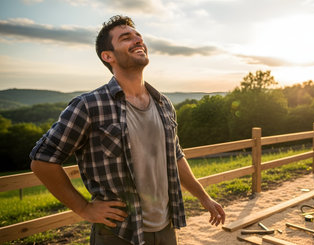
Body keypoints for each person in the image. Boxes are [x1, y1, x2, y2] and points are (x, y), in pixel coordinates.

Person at [29, 15, 225, 245]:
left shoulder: (164, 105)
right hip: (118, 233)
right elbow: (42, 160)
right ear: (108, 56)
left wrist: (204, 198)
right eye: (126, 38)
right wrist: (84, 208)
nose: (137, 40)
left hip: (166, 228)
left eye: (138, 36)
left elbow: (175, 155)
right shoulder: (89, 106)